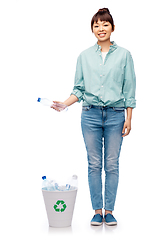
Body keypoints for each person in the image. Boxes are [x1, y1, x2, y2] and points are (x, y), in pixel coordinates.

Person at [52, 8, 136, 226]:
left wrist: (129, 118)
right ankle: (97, 211)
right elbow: (78, 89)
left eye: (105, 24)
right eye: (97, 25)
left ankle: (109, 211)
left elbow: (129, 90)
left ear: (112, 28)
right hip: (90, 115)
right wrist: (64, 103)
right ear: (92, 29)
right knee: (94, 164)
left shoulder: (125, 55)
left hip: (117, 115)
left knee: (112, 164)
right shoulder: (84, 56)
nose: (101, 28)